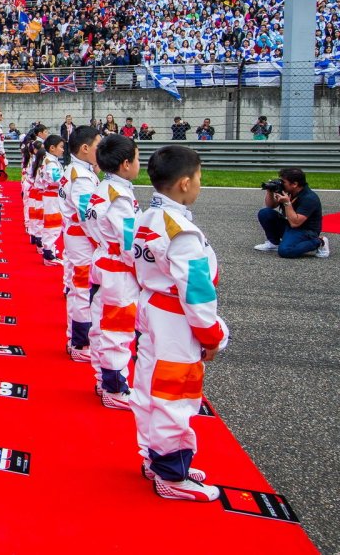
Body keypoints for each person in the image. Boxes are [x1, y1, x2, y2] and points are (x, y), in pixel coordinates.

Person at [132, 145, 229, 502]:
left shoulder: (146, 216)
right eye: (200, 178)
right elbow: (198, 294)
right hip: (175, 320)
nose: (201, 185)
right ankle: (171, 474)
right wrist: (212, 336)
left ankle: (156, 458)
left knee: (148, 389)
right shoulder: (181, 230)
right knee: (175, 396)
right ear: (185, 183)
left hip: (153, 311)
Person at [83, 133, 142, 410]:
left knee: (101, 325)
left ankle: (103, 379)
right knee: (117, 330)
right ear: (126, 164)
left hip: (102, 260)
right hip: (117, 268)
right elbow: (129, 242)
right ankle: (115, 388)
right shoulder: (120, 196)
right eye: (138, 157)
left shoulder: (102, 188)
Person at [58, 125, 102, 363]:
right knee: (83, 290)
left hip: (77, 236)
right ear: (85, 149)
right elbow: (88, 215)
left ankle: (77, 339)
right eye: (98, 145)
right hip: (83, 238)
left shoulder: (78, 170)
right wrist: (102, 241)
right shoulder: (82, 176)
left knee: (80, 288)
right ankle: (80, 342)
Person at [254, 168, 329, 258]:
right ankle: (274, 243)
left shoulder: (309, 198)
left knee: (285, 251)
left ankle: (320, 242)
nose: (280, 183)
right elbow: (270, 206)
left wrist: (287, 203)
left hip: (306, 231)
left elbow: (295, 223)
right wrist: (270, 191)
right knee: (265, 213)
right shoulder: (288, 191)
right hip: (290, 224)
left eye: (283, 182)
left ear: (294, 184)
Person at [34, 134, 66, 264]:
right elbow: (56, 179)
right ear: (52, 148)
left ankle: (49, 250)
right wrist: (67, 181)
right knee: (53, 224)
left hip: (50, 195)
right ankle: (49, 254)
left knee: (51, 223)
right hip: (52, 196)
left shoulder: (48, 159)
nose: (63, 150)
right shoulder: (51, 162)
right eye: (61, 147)